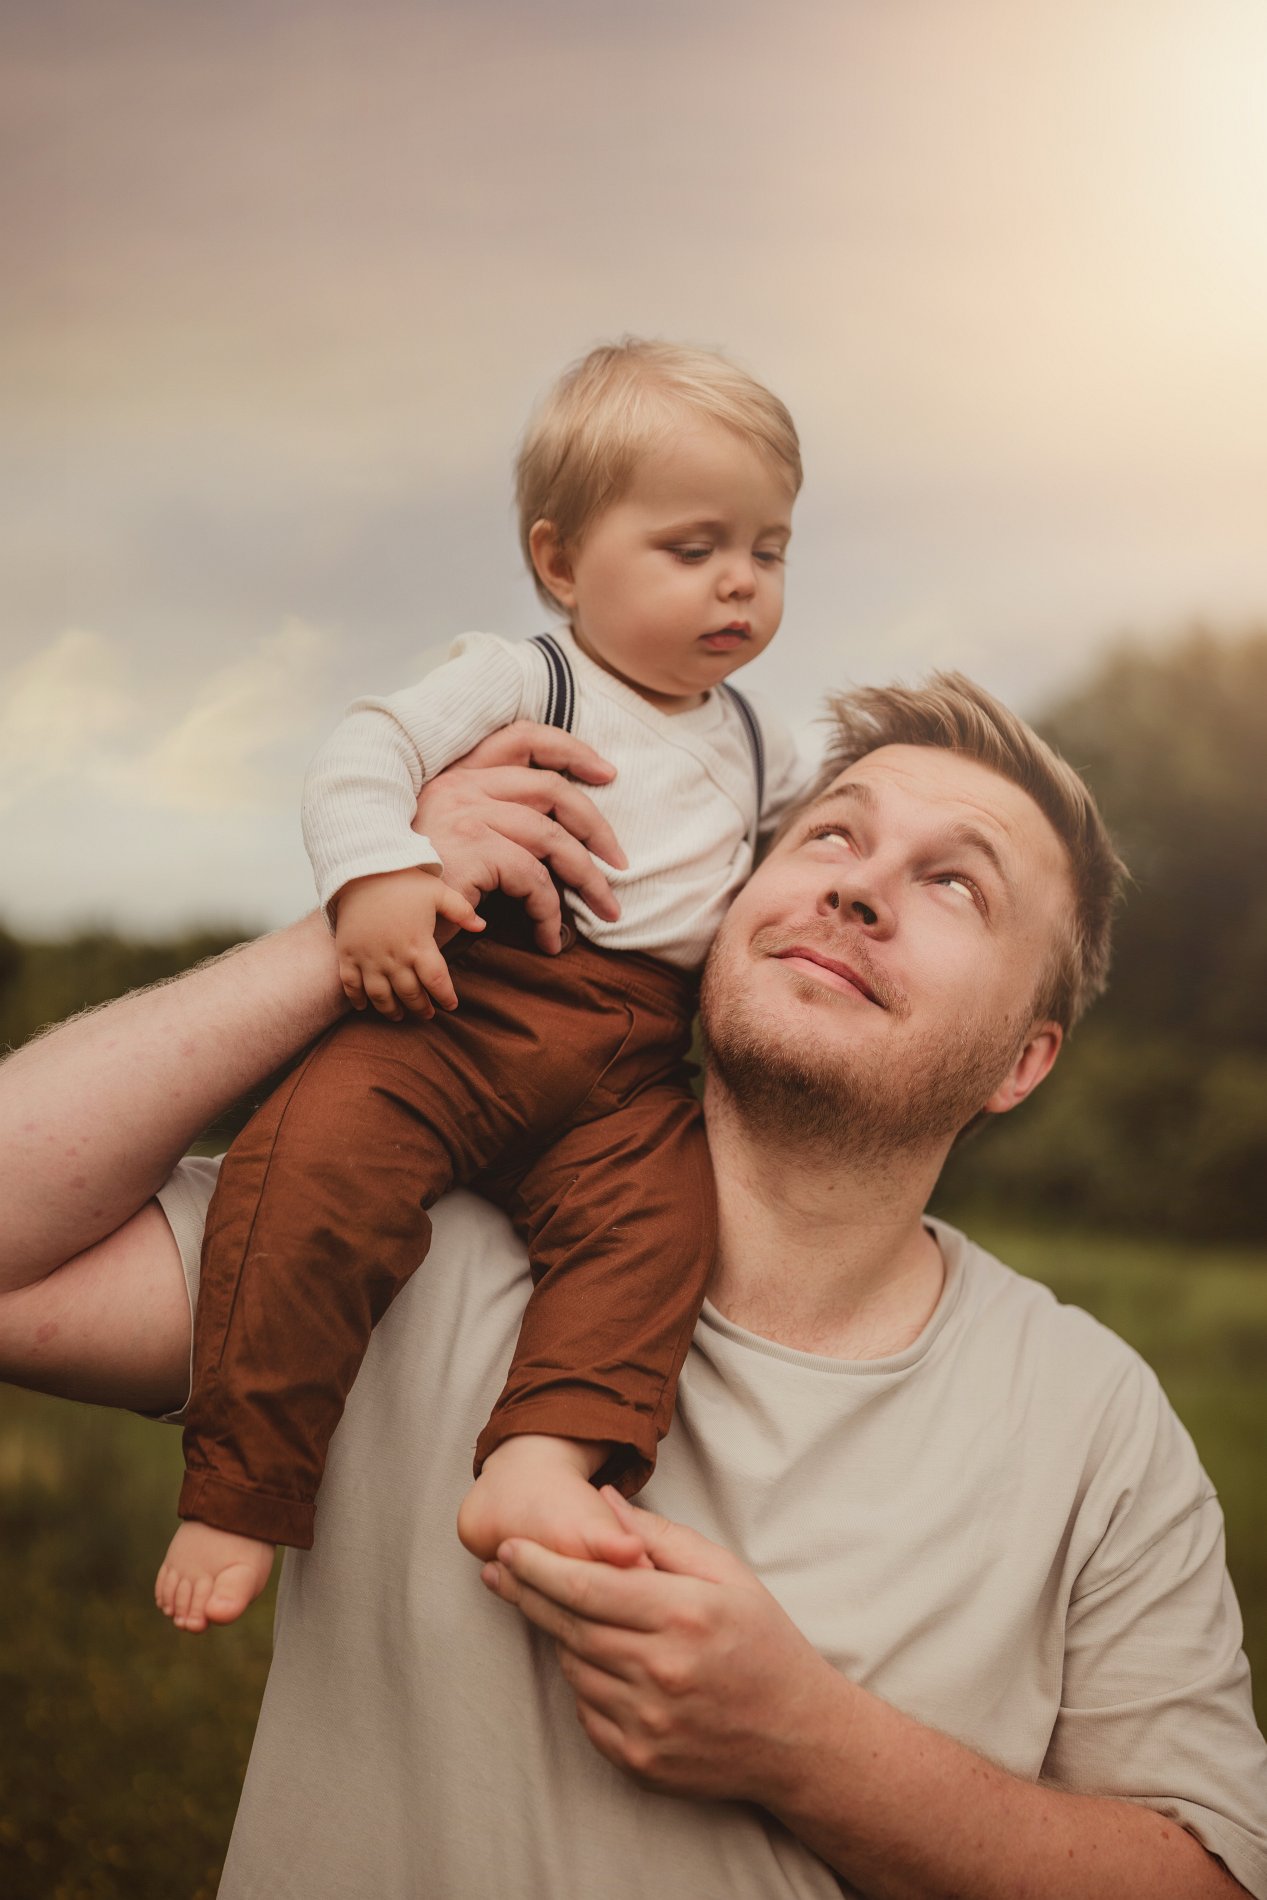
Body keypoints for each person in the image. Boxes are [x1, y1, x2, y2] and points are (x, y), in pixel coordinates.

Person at [2, 678, 1264, 1898]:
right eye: (832, 833)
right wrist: (370, 905)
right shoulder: (402, 1238)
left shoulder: (1096, 1420)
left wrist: (803, 1742)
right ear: (727, 901)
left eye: (953, 883)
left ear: (1021, 1061)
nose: (859, 888)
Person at [154, 337, 809, 1634]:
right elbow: (368, 745)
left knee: (658, 1234)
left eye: (769, 550)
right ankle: (244, 1483)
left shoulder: (757, 739)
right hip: (459, 1006)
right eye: (692, 549)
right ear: (562, 561)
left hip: (629, 1066)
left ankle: (543, 1457)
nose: (737, 582)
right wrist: (380, 876)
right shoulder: (529, 676)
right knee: (311, 1176)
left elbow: (811, 843)